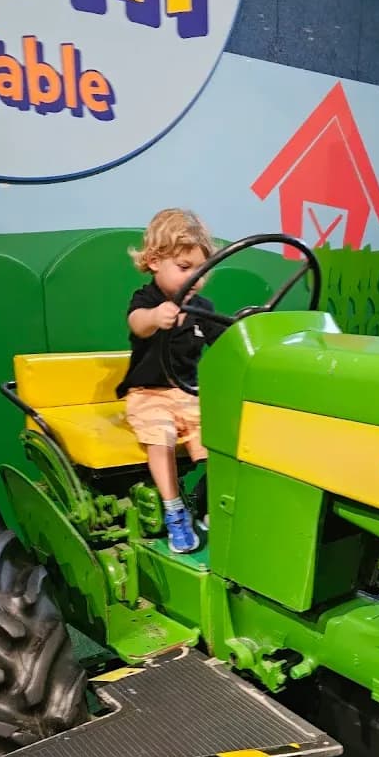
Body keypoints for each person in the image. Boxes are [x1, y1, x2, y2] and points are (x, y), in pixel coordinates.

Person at [117, 208, 222, 553]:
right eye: (184, 268)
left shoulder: (202, 307)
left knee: (221, 439)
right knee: (160, 436)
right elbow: (138, 322)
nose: (197, 279)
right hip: (148, 393)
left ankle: (208, 505)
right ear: (153, 261)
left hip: (189, 393)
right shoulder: (147, 301)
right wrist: (155, 317)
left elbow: (228, 339)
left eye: (202, 270)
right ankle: (175, 511)